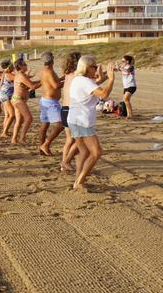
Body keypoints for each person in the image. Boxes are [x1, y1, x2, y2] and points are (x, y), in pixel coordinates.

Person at [68, 55, 115, 191]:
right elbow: (104, 94)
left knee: (83, 152)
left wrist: (104, 76)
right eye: (94, 66)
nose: (95, 68)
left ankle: (78, 181)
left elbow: (94, 85)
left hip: (75, 119)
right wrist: (111, 79)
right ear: (86, 68)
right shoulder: (84, 81)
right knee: (96, 152)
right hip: (82, 121)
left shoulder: (80, 79)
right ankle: (79, 182)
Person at [37, 52, 64, 156]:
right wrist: (69, 82)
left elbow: (53, 81)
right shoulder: (48, 71)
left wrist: (64, 78)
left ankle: (41, 147)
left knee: (45, 124)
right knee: (60, 124)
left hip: (46, 100)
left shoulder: (45, 70)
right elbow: (56, 85)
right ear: (52, 59)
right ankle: (45, 145)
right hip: (50, 102)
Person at [59, 52, 82, 172]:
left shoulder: (67, 74)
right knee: (78, 139)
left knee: (70, 140)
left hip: (64, 109)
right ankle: (66, 161)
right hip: (71, 110)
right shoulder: (77, 75)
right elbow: (93, 83)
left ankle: (65, 164)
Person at [10, 59, 41, 144]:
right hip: (18, 100)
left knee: (19, 121)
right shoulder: (21, 75)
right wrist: (44, 82)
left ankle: (14, 139)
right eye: (25, 64)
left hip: (17, 99)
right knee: (29, 118)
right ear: (20, 66)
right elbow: (33, 86)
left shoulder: (21, 75)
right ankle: (22, 138)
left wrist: (42, 80)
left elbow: (31, 83)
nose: (26, 66)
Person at [0, 60, 16, 138]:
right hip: (5, 95)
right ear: (9, 67)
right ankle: (4, 132)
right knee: (12, 115)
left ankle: (4, 131)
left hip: (3, 95)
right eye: (12, 66)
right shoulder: (8, 74)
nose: (14, 67)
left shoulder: (5, 73)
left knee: (8, 115)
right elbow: (19, 78)